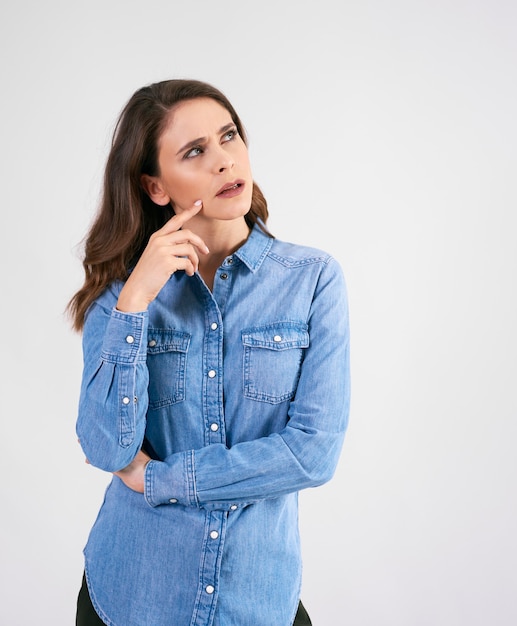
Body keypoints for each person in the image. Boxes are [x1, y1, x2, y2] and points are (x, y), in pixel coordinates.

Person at [68, 78, 351, 626]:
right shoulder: (121, 296)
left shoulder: (313, 281)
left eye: (229, 137)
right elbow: (106, 447)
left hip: (257, 602)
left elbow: (313, 453)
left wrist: (163, 479)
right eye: (195, 151)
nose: (224, 161)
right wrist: (134, 302)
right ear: (155, 187)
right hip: (131, 597)